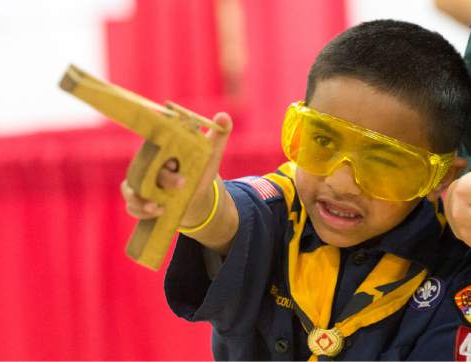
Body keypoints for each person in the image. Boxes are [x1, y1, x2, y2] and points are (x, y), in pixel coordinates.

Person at [121, 20, 471, 360]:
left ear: (439, 178)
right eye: (322, 140)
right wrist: (197, 207)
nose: (340, 183)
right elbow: (231, 219)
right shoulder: (282, 205)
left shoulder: (455, 265)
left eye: (383, 162)